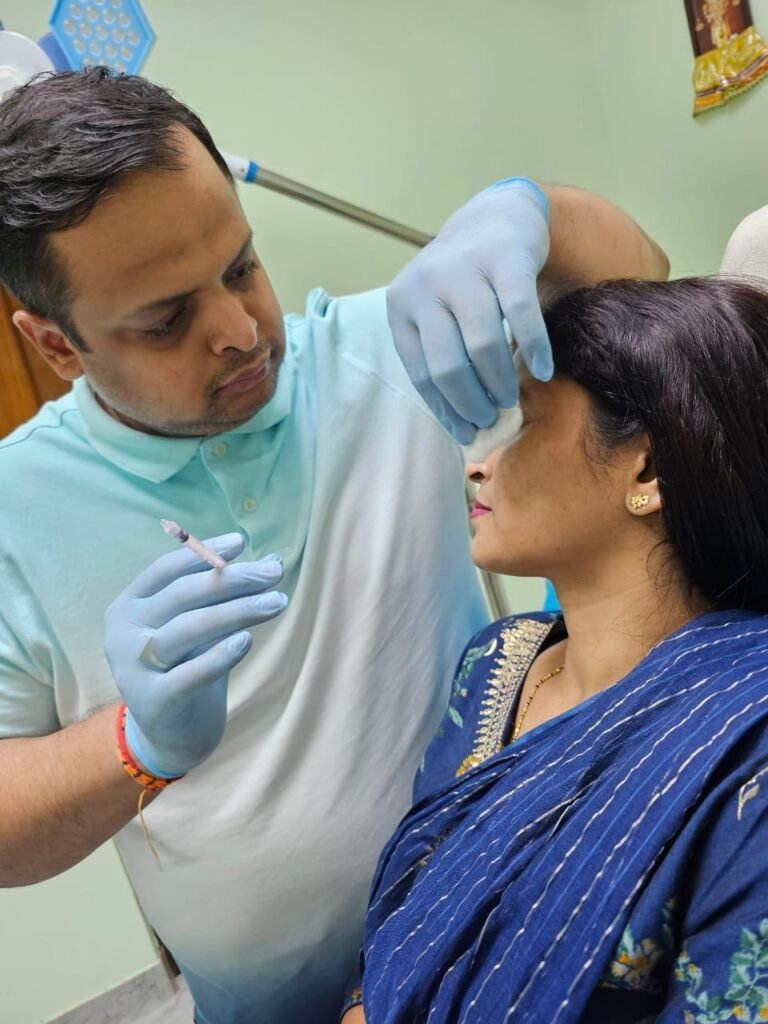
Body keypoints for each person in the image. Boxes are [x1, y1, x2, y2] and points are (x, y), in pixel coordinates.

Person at [0, 69, 668, 1023]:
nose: (239, 332)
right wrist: (132, 747)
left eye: (241, 267)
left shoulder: (386, 354)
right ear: (57, 345)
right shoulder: (13, 513)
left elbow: (657, 300)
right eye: (165, 319)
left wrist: (534, 213)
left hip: (476, 945)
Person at [347, 276, 768, 1024]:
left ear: (647, 469)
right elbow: (410, 911)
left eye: (518, 424)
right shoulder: (497, 661)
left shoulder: (748, 747)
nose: (477, 464)